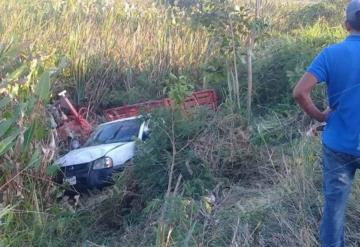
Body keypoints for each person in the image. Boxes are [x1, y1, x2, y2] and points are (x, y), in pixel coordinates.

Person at [293, 1, 360, 246]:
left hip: (338, 146)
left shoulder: (330, 54)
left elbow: (300, 92)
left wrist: (321, 117)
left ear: (346, 25)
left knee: (334, 211)